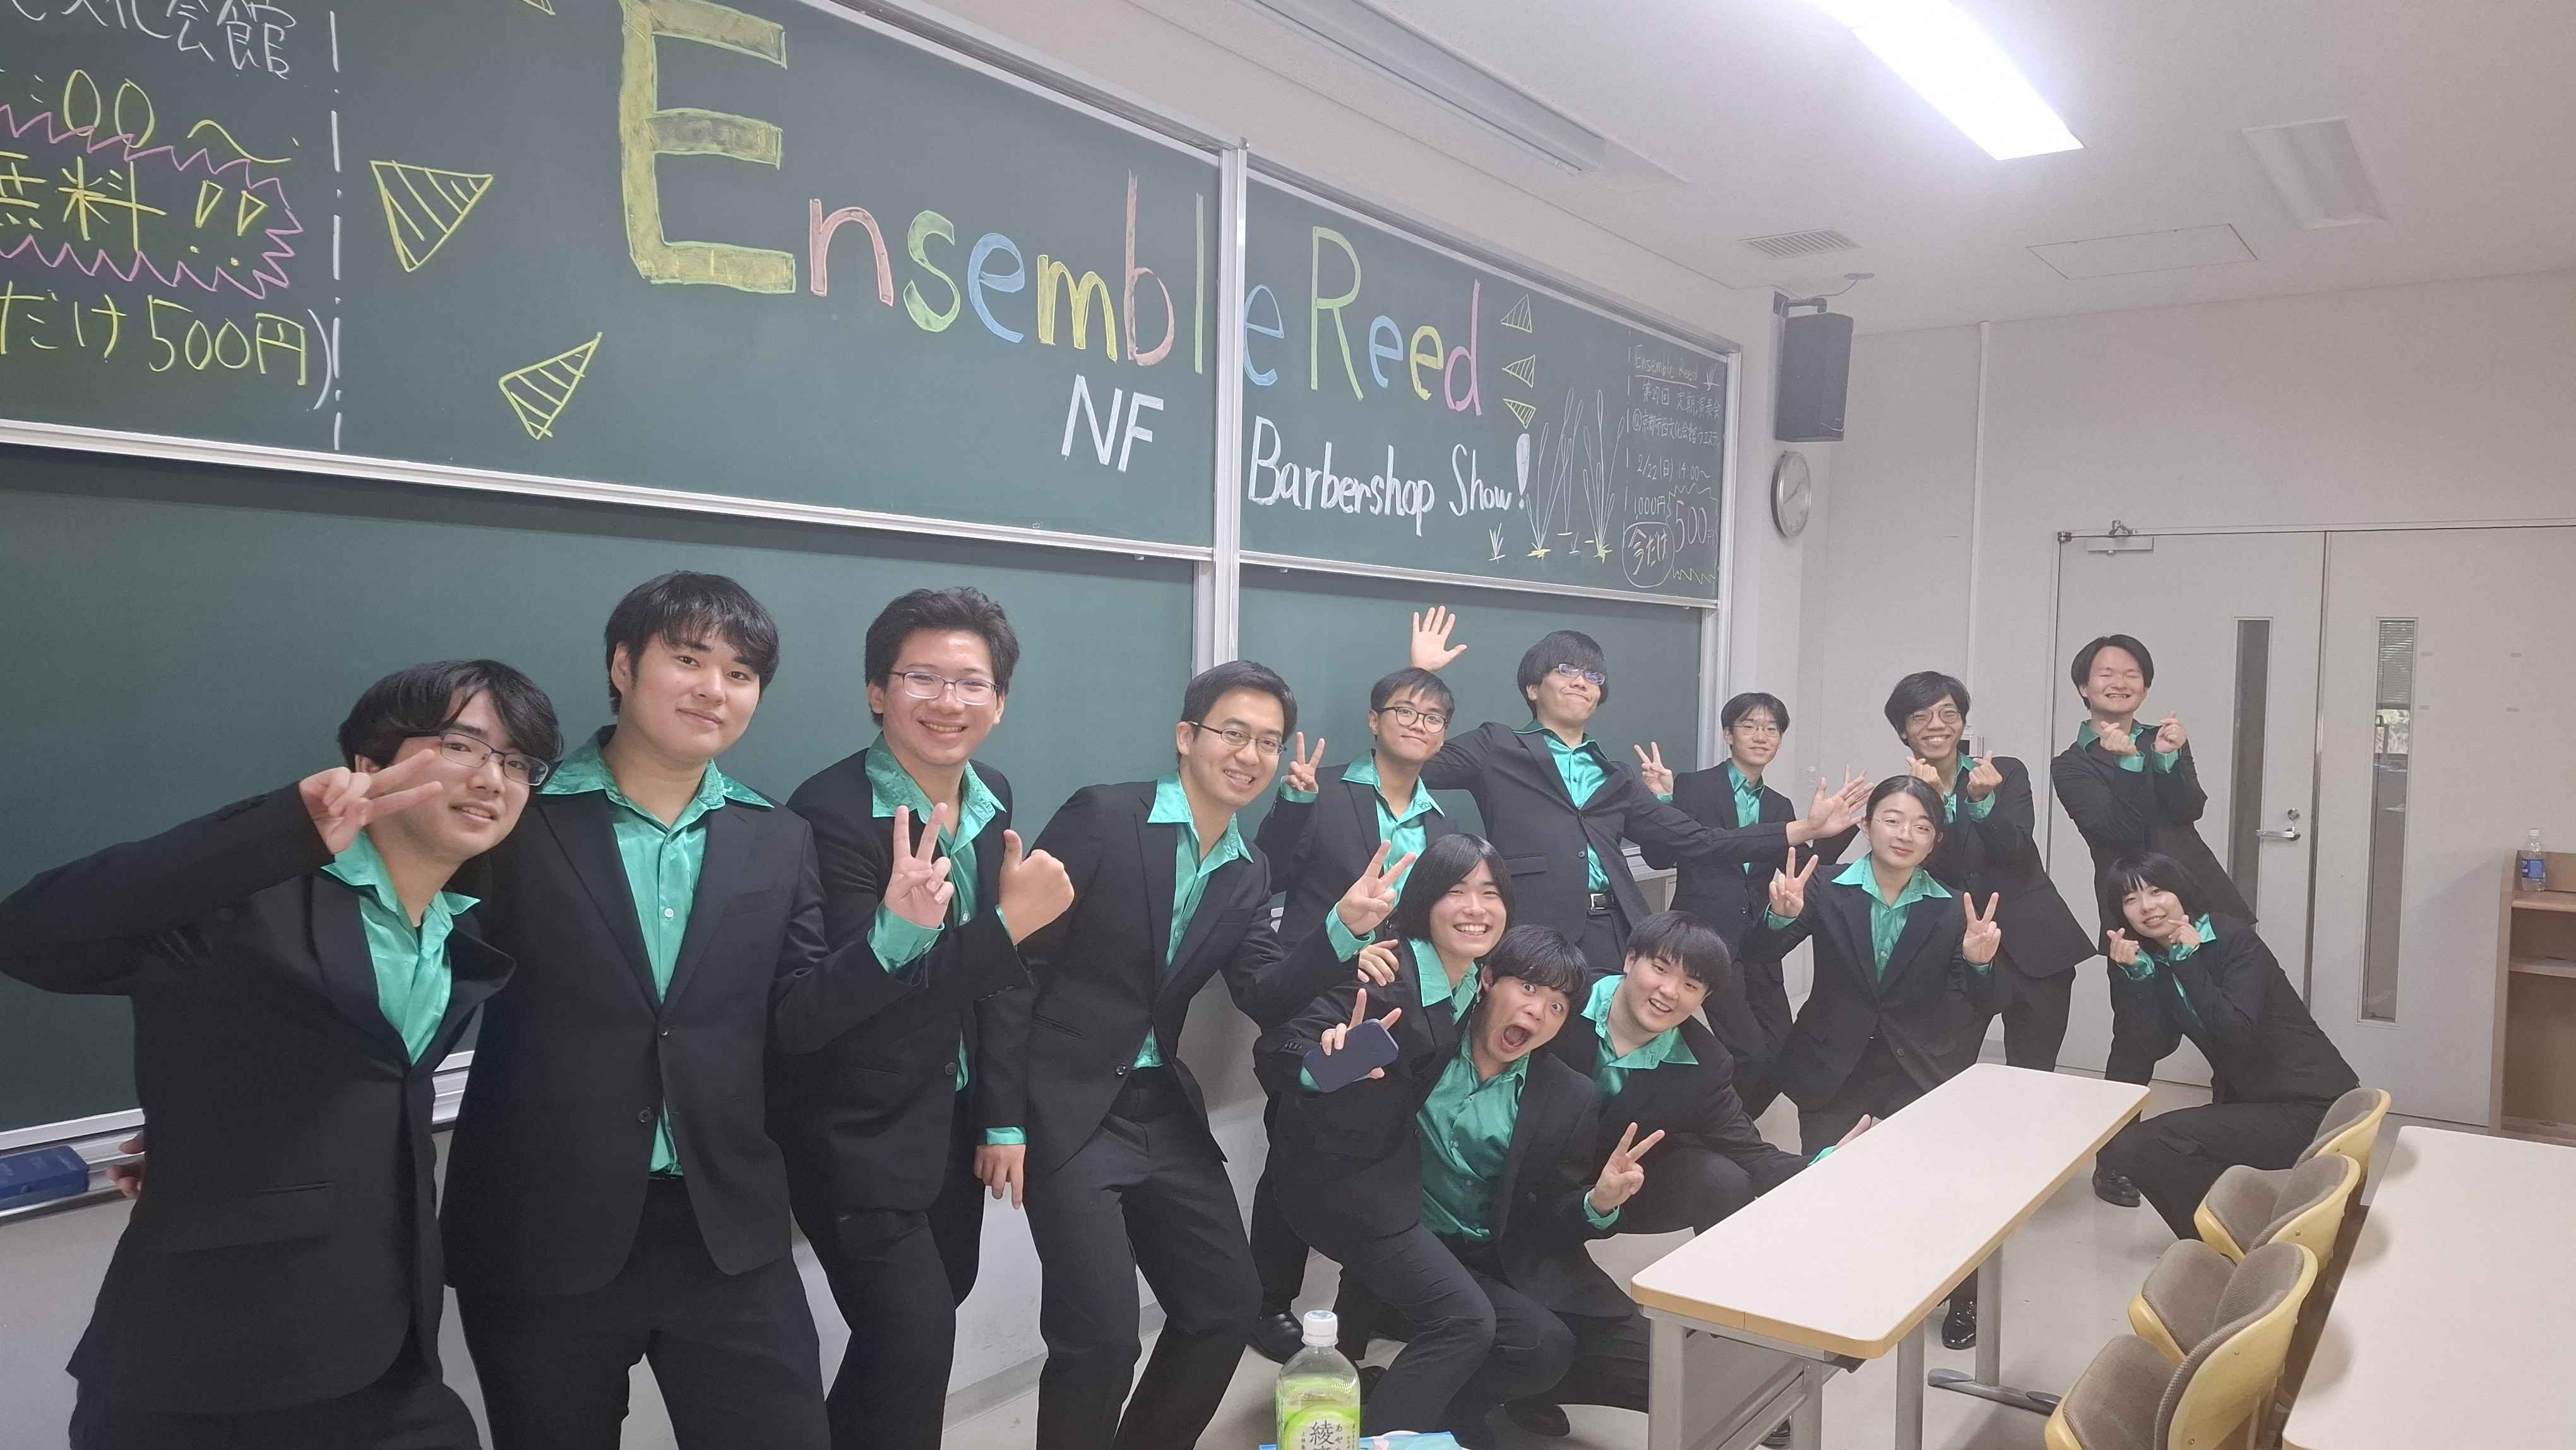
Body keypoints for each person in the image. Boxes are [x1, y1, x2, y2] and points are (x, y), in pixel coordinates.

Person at [445, 573, 963, 1450]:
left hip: (724, 1224)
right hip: (543, 1226)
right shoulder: (515, 814)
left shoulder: (776, 836)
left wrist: (894, 937)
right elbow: (429, 976)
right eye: (688, 660)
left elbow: (796, 1020)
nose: (713, 689)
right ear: (623, 666)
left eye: (740, 673)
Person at [0, 661, 561, 1450]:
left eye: (517, 761)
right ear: (369, 762)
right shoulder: (246, 899)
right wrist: (279, 829)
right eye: (462, 744)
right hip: (208, 1368)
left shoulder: (458, 932)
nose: (491, 778)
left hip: (386, 1359)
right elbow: (29, 934)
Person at [980, 660, 1404, 1450]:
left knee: (1226, 1307)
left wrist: (1340, 931)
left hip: (1161, 1110)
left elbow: (1265, 994)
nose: (1250, 755)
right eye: (1233, 733)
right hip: (1068, 1106)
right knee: (1100, 1340)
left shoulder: (1248, 869)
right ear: (1187, 736)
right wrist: (1002, 1117)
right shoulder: (1105, 817)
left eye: (1269, 742)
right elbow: (1015, 967)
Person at [768, 587, 1076, 1450]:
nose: (949, 701)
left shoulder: (991, 794)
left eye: (972, 683)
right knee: (915, 1337)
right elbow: (850, 1007)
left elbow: (998, 983)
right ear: (878, 691)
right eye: (922, 678)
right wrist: (1008, 926)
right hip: (856, 1128)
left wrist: (1003, 1114)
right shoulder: (827, 816)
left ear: (1000, 701)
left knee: (923, 1319)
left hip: (951, 1114)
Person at [1260, 920, 1655, 1448]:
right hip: (1395, 1240)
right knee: (1467, 1322)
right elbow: (1327, 1094)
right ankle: (1387, 1433)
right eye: (1528, 987)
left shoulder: (1568, 1097)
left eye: (1558, 1006)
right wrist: (1339, 1056)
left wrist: (1597, 1204)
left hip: (1488, 1257)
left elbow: (1546, 1213)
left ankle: (1439, 1412)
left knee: (1547, 1348)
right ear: (1488, 979)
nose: (1538, 1011)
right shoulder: (1427, 1046)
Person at [1509, 909, 1849, 1444]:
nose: (1669, 992)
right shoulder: (1563, 1000)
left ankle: (1723, 1335)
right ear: (1629, 960)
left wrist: (1827, 1166)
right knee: (1541, 1334)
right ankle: (1520, 1386)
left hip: (1606, 1195)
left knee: (1725, 1179)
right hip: (1512, 1184)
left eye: (1691, 985)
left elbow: (1752, 1152)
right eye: (1660, 969)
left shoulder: (1704, 1061)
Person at [1407, 606, 1856, 976]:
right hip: (1533, 928)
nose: (1582, 682)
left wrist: (1806, 828)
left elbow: (1701, 841)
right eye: (1566, 670)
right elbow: (1408, 763)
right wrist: (1419, 677)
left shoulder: (1616, 777)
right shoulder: (1497, 746)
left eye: (1593, 676)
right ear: (1532, 687)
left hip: (1618, 931)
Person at [1245, 664, 1463, 1360]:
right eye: (1404, 711)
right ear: (1374, 720)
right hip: (1314, 997)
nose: (1418, 725)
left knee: (1378, 1143)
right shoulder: (1326, 790)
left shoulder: (1441, 824)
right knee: (1294, 1146)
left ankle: (1364, 1300)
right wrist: (1292, 805)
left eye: (1433, 717)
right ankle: (1266, 1303)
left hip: (1397, 1005)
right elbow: (1265, 875)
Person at [1745, 776, 2003, 1348]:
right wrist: (1779, 917)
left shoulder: (1951, 906)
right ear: (1866, 826)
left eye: (1921, 826)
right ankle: (1835, 1288)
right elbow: (1759, 953)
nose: (1905, 834)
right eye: (1892, 819)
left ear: (1935, 840)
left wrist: (1979, 964)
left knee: (1938, 1187)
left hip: (1918, 1065)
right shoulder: (1825, 885)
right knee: (1825, 1182)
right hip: (1831, 1062)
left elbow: (1978, 1003)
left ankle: (1963, 1294)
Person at [2049, 634, 2253, 1208]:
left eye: (2132, 673)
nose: (2120, 683)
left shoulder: (2164, 736)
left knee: (2231, 1031)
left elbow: (2189, 809)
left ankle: (2229, 1150)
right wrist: (2132, 764)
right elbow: (2120, 830)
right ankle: (2116, 1161)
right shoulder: (2071, 765)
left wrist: (2167, 756)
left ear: (2145, 685)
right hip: (2132, 911)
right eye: (2106, 674)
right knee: (2138, 1038)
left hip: (2203, 901)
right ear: (2084, 686)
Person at [2092, 853, 2359, 1240]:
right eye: (2130, 900)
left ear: (2181, 892)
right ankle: (2231, 1238)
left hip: (2313, 1105)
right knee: (2129, 1149)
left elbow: (2236, 1031)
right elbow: (2148, 1046)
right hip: (2255, 1100)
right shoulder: (2151, 959)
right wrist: (2137, 980)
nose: (2147, 907)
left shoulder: (2231, 938)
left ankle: (2228, 1243)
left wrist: (2188, 961)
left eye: (2156, 891)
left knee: (2144, 1147)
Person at [1635, 690, 1866, 1112]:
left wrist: (1839, 830)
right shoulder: (1693, 786)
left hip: (1759, 943)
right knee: (1748, 1053)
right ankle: (1720, 1128)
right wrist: (1663, 801)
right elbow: (1659, 857)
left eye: (1771, 729)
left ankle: (1729, 1125)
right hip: (1705, 941)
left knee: (1781, 1054)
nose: (1761, 736)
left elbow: (1800, 868)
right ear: (1729, 734)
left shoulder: (1780, 806)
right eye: (1750, 726)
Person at [1883, 671, 2094, 1073]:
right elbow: (1912, 871)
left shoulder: (2004, 773)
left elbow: (2016, 851)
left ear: (1962, 721)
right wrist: (1931, 803)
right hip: (1955, 954)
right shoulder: (1899, 796)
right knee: (1943, 1072)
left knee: (2033, 1076)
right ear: (1903, 731)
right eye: (1921, 716)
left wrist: (1980, 802)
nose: (1937, 725)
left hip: (2036, 947)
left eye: (1948, 713)